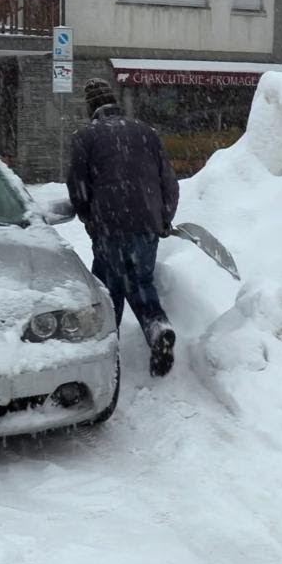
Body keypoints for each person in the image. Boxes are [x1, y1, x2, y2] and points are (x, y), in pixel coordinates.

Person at [66, 78, 180, 377]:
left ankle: (105, 353)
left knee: (108, 290)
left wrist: (89, 219)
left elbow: (78, 188)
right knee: (141, 283)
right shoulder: (146, 132)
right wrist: (163, 218)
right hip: (146, 225)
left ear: (91, 108)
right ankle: (158, 329)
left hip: (109, 226)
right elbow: (169, 181)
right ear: (114, 102)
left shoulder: (85, 137)